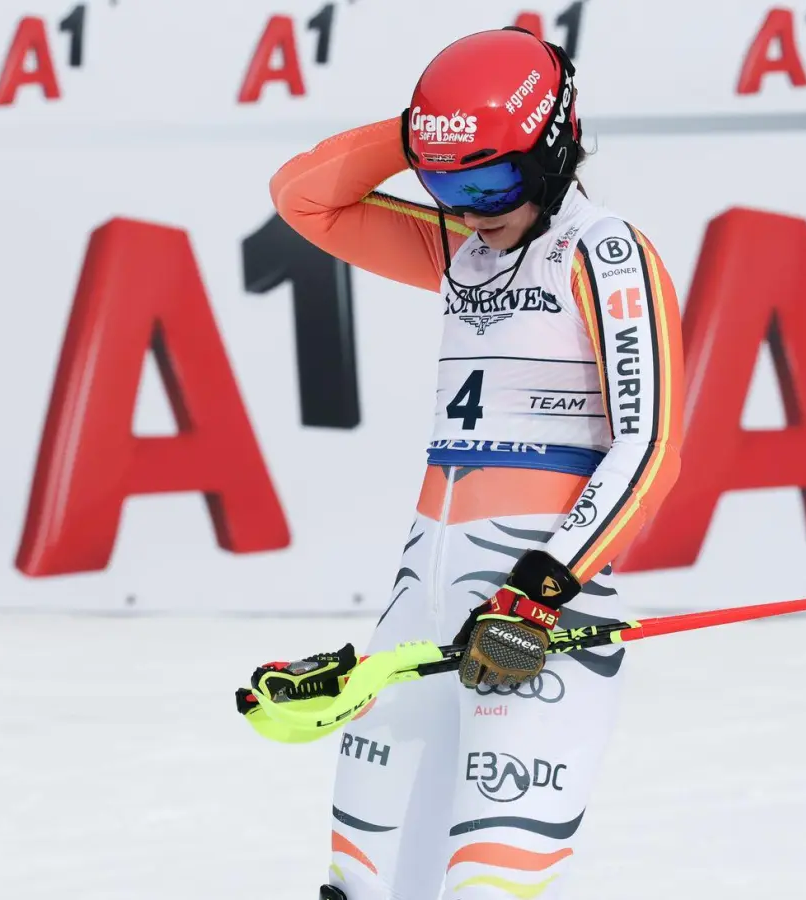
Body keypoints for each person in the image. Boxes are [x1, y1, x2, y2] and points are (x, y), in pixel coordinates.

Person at [266, 26, 684, 900]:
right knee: (359, 885)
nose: (473, 205)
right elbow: (305, 199)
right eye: (444, 184)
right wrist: (432, 130)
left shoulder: (605, 251)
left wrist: (542, 587)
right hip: (421, 601)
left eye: (492, 179)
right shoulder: (460, 247)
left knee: (489, 888)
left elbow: (648, 446)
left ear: (556, 146)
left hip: (534, 619)